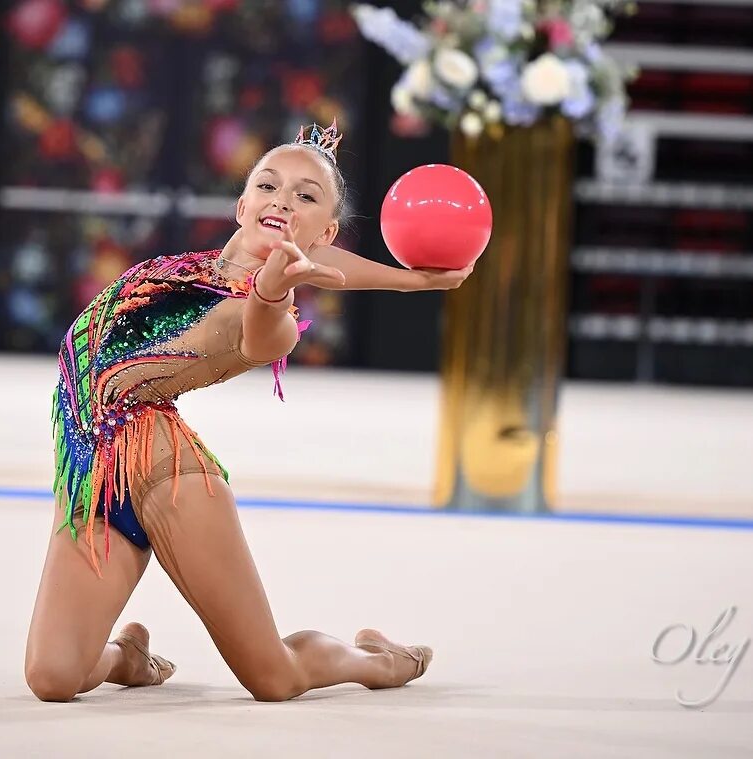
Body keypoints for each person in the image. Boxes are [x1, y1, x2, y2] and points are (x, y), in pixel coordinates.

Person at [25, 122, 473, 703]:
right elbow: (319, 257)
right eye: (269, 185)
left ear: (326, 230)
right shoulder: (187, 267)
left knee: (274, 678)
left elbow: (263, 328)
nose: (284, 200)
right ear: (242, 204)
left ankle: (376, 661)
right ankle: (125, 658)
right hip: (91, 476)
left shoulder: (265, 316)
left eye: (306, 196)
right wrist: (408, 281)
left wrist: (271, 290)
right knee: (53, 677)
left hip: (169, 475)